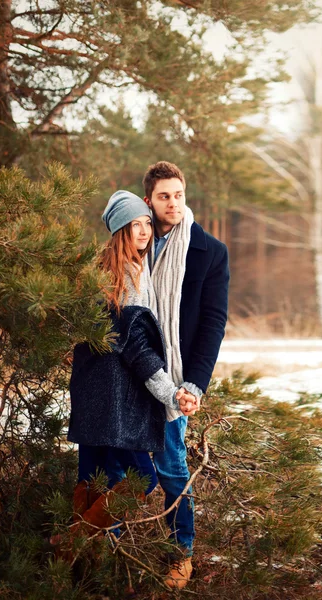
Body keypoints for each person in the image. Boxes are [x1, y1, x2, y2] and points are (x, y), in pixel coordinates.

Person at [67, 190, 195, 536]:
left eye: (146, 224)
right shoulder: (128, 275)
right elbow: (137, 348)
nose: (143, 231)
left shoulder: (103, 269)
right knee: (143, 479)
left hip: (93, 394)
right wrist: (169, 393)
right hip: (114, 400)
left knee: (96, 480)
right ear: (119, 230)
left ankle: (88, 562)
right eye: (133, 224)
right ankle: (74, 540)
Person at [142, 161, 230, 589]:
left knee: (173, 468)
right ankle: (121, 543)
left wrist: (193, 385)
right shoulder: (135, 242)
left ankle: (182, 553)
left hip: (174, 381)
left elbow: (213, 323)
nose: (173, 203)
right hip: (131, 373)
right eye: (164, 196)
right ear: (149, 201)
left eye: (177, 194)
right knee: (127, 469)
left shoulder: (210, 250)